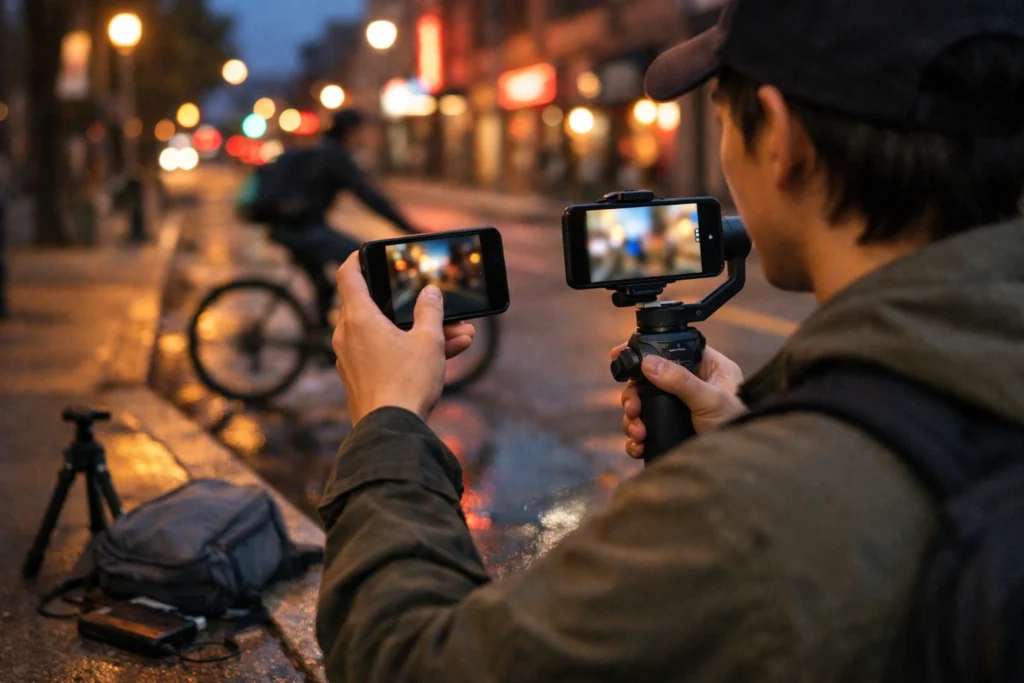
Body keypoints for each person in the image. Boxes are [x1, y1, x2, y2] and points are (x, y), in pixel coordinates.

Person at [317, 0, 1024, 680]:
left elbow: (407, 658)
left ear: (781, 139)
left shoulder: (744, 513)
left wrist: (390, 421)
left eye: (720, 119)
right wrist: (760, 434)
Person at [268, 108, 417, 329]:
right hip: (303, 231)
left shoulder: (321, 150)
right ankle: (370, 328)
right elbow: (369, 196)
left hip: (289, 227)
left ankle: (317, 336)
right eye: (360, 133)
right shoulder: (334, 157)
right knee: (365, 259)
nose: (362, 139)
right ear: (349, 132)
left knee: (324, 287)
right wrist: (407, 227)